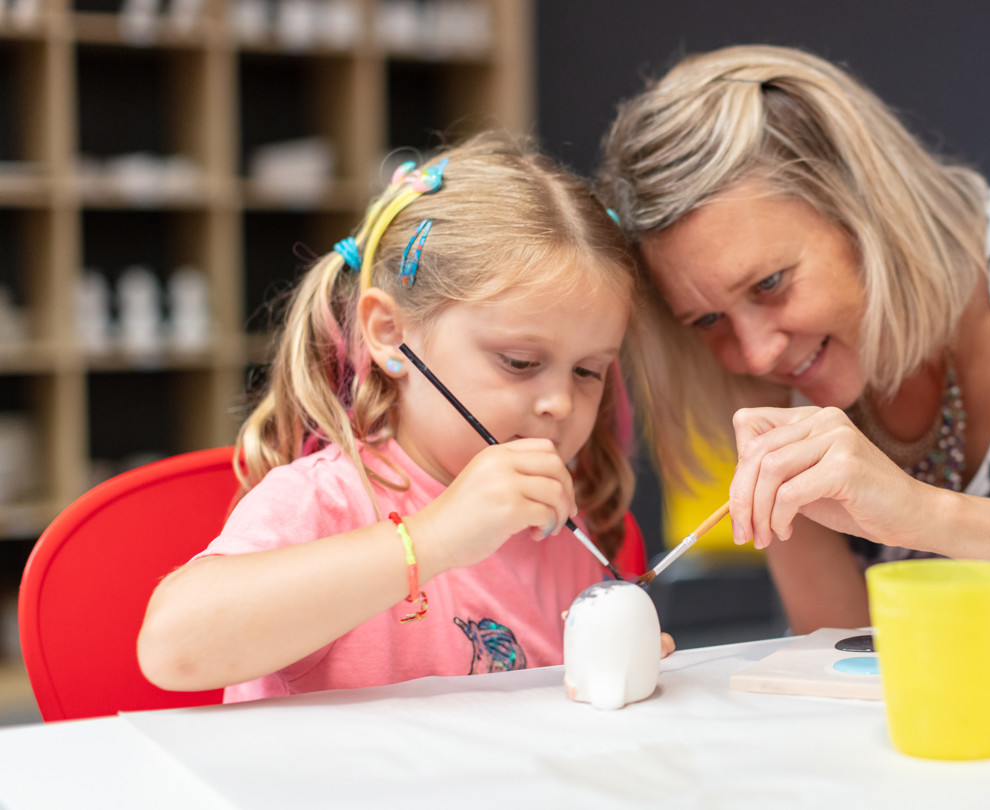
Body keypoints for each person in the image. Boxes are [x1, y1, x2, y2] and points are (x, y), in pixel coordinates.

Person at [597, 45, 990, 634]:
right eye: (708, 322)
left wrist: (923, 513)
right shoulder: (768, 404)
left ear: (861, 205)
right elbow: (840, 667)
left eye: (770, 283)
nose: (758, 353)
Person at [138, 133, 670, 701]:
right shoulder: (329, 502)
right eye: (519, 362)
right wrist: (434, 539)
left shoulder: (559, 527)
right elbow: (173, 647)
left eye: (588, 372)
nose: (560, 403)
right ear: (391, 334)